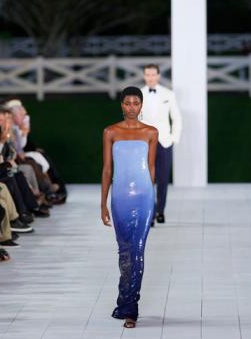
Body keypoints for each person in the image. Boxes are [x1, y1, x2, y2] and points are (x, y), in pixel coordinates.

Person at [101, 86, 158, 329]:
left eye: (136, 103)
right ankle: (124, 298)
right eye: (127, 103)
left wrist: (153, 197)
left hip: (144, 196)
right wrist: (102, 203)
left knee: (138, 250)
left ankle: (130, 308)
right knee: (124, 252)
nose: (132, 107)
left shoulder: (151, 132)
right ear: (121, 105)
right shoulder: (110, 131)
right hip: (120, 197)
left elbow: (152, 168)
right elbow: (107, 169)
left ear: (141, 105)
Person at [139, 64, 182, 224]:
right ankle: (150, 212)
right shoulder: (139, 95)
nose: (150, 78)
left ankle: (160, 211)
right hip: (145, 143)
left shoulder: (168, 94)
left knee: (163, 179)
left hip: (164, 142)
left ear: (158, 76)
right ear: (144, 76)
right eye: (147, 75)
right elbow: (135, 119)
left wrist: (173, 138)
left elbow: (177, 118)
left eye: (153, 75)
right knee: (146, 180)